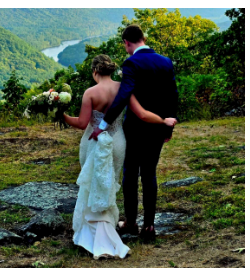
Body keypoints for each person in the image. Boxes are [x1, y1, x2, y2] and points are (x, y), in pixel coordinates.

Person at [63, 54, 176, 259]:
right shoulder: (122, 88)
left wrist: (61, 115)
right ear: (111, 70)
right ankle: (112, 225)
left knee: (93, 184)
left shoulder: (90, 92)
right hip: (117, 142)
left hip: (94, 142)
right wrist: (163, 121)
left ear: (95, 71)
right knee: (111, 182)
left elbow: (81, 123)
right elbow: (142, 114)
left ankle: (93, 230)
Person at [89, 25, 178, 242]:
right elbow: (173, 95)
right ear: (143, 38)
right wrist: (168, 126)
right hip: (157, 128)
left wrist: (103, 124)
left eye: (125, 45)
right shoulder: (165, 61)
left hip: (136, 129)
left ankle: (130, 222)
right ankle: (149, 226)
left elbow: (124, 95)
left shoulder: (132, 63)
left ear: (127, 42)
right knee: (149, 174)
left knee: (130, 173)